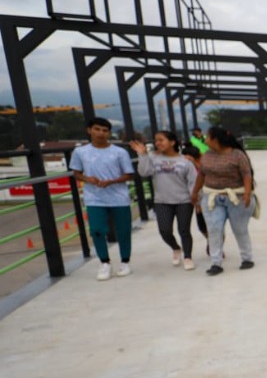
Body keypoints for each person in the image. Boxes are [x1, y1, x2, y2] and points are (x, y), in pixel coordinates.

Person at [70, 117, 136, 281]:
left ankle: (125, 261)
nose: (101, 133)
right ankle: (104, 262)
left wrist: (112, 181)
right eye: (97, 129)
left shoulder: (120, 152)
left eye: (105, 130)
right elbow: (76, 172)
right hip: (94, 197)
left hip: (119, 197)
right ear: (89, 130)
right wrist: (87, 179)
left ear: (109, 133)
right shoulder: (80, 152)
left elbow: (129, 174)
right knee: (97, 230)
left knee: (123, 231)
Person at [191, 126, 256, 276]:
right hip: (212, 196)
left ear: (215, 140)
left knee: (240, 229)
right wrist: (195, 192)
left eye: (207, 137)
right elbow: (201, 174)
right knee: (214, 230)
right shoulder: (207, 155)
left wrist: (247, 193)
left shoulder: (237, 155)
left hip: (236, 197)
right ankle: (216, 262)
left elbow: (247, 175)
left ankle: (247, 258)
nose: (205, 139)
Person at [129, 131, 199, 270]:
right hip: (162, 201)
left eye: (161, 140)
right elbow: (144, 172)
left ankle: (188, 257)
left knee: (184, 230)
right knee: (164, 230)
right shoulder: (153, 158)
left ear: (172, 142)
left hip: (184, 200)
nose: (158, 143)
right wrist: (142, 155)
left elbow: (193, 182)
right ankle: (176, 247)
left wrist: (196, 200)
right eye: (156, 140)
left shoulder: (185, 161)